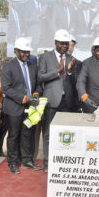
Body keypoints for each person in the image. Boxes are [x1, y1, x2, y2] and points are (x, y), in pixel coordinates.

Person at [38, 29, 78, 172]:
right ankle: (48, 164)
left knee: (66, 134)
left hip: (67, 102)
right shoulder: (45, 57)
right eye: (62, 43)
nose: (65, 46)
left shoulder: (72, 59)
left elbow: (74, 81)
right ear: (55, 43)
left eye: (66, 44)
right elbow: (40, 77)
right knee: (49, 133)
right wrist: (57, 70)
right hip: (52, 101)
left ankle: (62, 162)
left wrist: (69, 71)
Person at [2, 37, 42, 174]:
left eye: (28, 52)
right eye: (23, 52)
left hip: (31, 108)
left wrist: (36, 94)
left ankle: (27, 161)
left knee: (28, 134)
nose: (26, 54)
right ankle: (12, 162)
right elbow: (6, 88)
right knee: (14, 135)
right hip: (14, 107)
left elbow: (37, 83)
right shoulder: (8, 66)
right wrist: (24, 98)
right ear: (16, 51)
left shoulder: (32, 65)